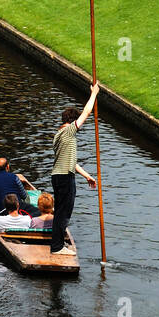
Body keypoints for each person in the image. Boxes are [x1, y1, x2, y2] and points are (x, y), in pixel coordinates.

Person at [48, 82, 101, 254]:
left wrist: (87, 176)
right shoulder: (69, 131)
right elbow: (86, 112)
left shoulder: (58, 135)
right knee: (64, 212)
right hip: (64, 177)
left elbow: (71, 162)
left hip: (59, 175)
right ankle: (57, 247)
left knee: (61, 210)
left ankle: (58, 244)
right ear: (71, 121)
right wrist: (94, 93)